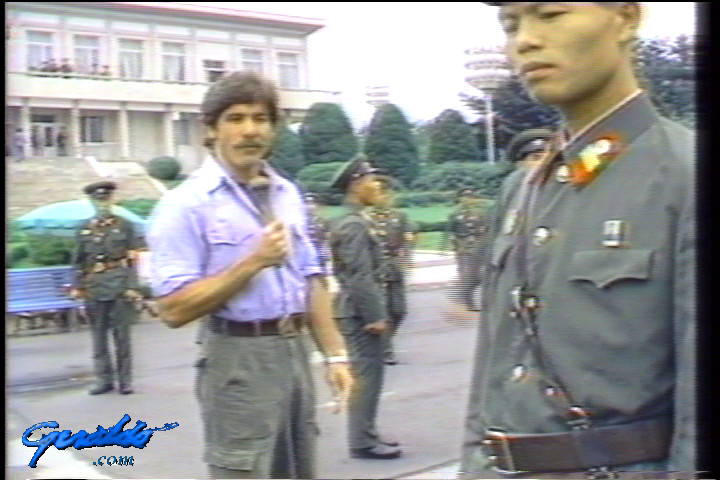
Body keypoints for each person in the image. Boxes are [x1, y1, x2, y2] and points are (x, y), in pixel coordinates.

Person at [461, 3, 695, 479]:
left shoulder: (683, 176)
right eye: (510, 24)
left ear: (626, 19)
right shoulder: (522, 189)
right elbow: (490, 370)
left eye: (550, 14)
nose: (524, 39)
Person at [147, 71, 353, 479]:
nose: (250, 130)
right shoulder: (185, 206)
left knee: (298, 467)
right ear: (212, 129)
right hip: (237, 358)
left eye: (261, 119)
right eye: (236, 119)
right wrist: (252, 262)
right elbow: (172, 308)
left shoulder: (287, 193)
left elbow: (311, 276)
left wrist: (335, 354)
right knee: (244, 468)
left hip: (293, 351)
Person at [328, 155, 403, 460]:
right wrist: (375, 316)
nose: (376, 185)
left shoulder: (357, 220)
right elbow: (359, 275)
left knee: (371, 376)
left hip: (357, 308)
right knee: (366, 378)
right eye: (371, 180)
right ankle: (362, 441)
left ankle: (367, 432)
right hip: (358, 312)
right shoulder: (353, 225)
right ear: (356, 185)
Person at [69, 181, 146, 395]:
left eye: (105, 199)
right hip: (94, 285)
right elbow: (78, 260)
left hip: (120, 284)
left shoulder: (125, 226)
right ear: (92, 202)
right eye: (97, 200)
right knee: (98, 336)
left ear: (112, 200)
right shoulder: (84, 228)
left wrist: (133, 286)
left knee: (122, 336)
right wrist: (78, 286)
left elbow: (134, 259)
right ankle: (104, 380)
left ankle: (125, 380)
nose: (102, 204)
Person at [364, 175, 417, 365]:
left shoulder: (399, 217)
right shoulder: (364, 218)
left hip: (394, 268)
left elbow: (407, 241)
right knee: (381, 310)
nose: (382, 197)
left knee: (399, 310)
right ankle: (385, 349)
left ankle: (385, 340)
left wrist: (408, 261)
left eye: (384, 193)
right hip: (374, 270)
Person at [442, 187, 487, 311]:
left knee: (481, 276)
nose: (468, 200)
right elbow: (450, 232)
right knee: (466, 276)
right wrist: (449, 248)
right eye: (465, 197)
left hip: (479, 247)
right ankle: (468, 302)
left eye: (471, 197)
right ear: (460, 199)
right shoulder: (455, 214)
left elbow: (488, 230)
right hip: (463, 248)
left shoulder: (481, 213)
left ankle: (481, 300)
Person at [304, 193, 332, 274]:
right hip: (305, 257)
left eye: (313, 203)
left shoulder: (323, 222)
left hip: (320, 255)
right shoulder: (300, 222)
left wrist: (328, 258)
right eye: (307, 203)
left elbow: (327, 240)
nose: (310, 206)